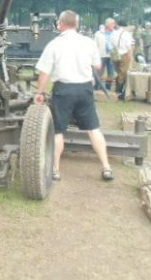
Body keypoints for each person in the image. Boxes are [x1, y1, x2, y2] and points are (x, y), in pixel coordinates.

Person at [34, 10, 113, 182]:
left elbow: (44, 72)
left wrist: (39, 92)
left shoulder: (54, 44)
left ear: (60, 24)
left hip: (64, 90)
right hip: (85, 89)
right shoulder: (88, 42)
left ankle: (55, 169)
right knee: (93, 128)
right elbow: (98, 65)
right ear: (76, 25)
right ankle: (106, 167)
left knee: (58, 130)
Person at [111, 19, 134, 100]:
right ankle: (120, 91)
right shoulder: (126, 34)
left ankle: (118, 89)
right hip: (124, 55)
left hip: (115, 55)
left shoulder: (113, 33)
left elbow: (112, 44)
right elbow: (129, 47)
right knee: (124, 73)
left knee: (118, 72)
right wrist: (131, 58)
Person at [94, 21, 115, 91]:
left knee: (111, 72)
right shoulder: (98, 33)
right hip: (101, 55)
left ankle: (108, 87)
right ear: (107, 25)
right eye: (112, 24)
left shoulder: (115, 33)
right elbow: (95, 45)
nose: (113, 25)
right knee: (99, 72)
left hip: (111, 55)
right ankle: (97, 86)